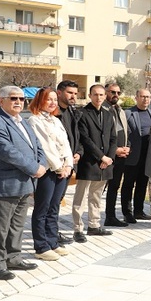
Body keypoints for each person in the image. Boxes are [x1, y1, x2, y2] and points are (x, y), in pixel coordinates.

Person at [0, 86, 47, 279]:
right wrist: (34, 168)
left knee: (17, 225)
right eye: (13, 98)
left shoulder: (23, 121)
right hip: (5, 184)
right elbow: (7, 152)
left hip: (25, 183)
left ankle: (13, 258)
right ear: (1, 101)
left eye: (21, 98)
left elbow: (37, 146)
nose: (19, 102)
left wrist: (42, 164)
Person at [27, 88, 73, 262]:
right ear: (40, 100)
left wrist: (68, 165)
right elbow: (45, 147)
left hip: (62, 169)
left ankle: (52, 242)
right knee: (42, 208)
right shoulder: (34, 120)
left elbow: (66, 144)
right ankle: (41, 246)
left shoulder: (55, 120)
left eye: (54, 99)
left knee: (54, 207)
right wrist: (59, 167)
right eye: (49, 99)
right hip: (47, 170)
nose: (53, 103)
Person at [72, 84, 116, 243]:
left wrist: (109, 158)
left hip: (105, 164)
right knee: (81, 197)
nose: (99, 97)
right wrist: (101, 157)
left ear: (105, 96)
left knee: (96, 196)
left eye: (101, 95)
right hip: (89, 162)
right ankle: (78, 229)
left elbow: (113, 138)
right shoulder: (82, 114)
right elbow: (85, 139)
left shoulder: (108, 114)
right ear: (90, 95)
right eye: (95, 94)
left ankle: (94, 225)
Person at [122, 89, 151, 222]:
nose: (145, 99)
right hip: (132, 156)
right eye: (142, 96)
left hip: (147, 157)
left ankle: (139, 211)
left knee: (142, 184)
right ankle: (127, 213)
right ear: (136, 98)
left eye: (148, 97)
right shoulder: (128, 114)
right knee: (128, 185)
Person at [55, 79, 82, 246]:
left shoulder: (73, 112)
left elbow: (76, 136)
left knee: (58, 200)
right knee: (51, 203)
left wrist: (78, 152)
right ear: (59, 93)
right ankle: (50, 234)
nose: (73, 96)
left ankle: (53, 232)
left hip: (70, 164)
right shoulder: (53, 114)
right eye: (70, 93)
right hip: (56, 165)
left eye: (75, 93)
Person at [104, 83, 130, 227]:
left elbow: (126, 131)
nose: (116, 95)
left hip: (121, 156)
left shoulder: (119, 110)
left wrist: (127, 147)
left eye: (118, 93)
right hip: (107, 156)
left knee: (114, 187)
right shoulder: (103, 110)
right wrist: (115, 150)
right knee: (99, 189)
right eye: (112, 92)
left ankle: (110, 216)